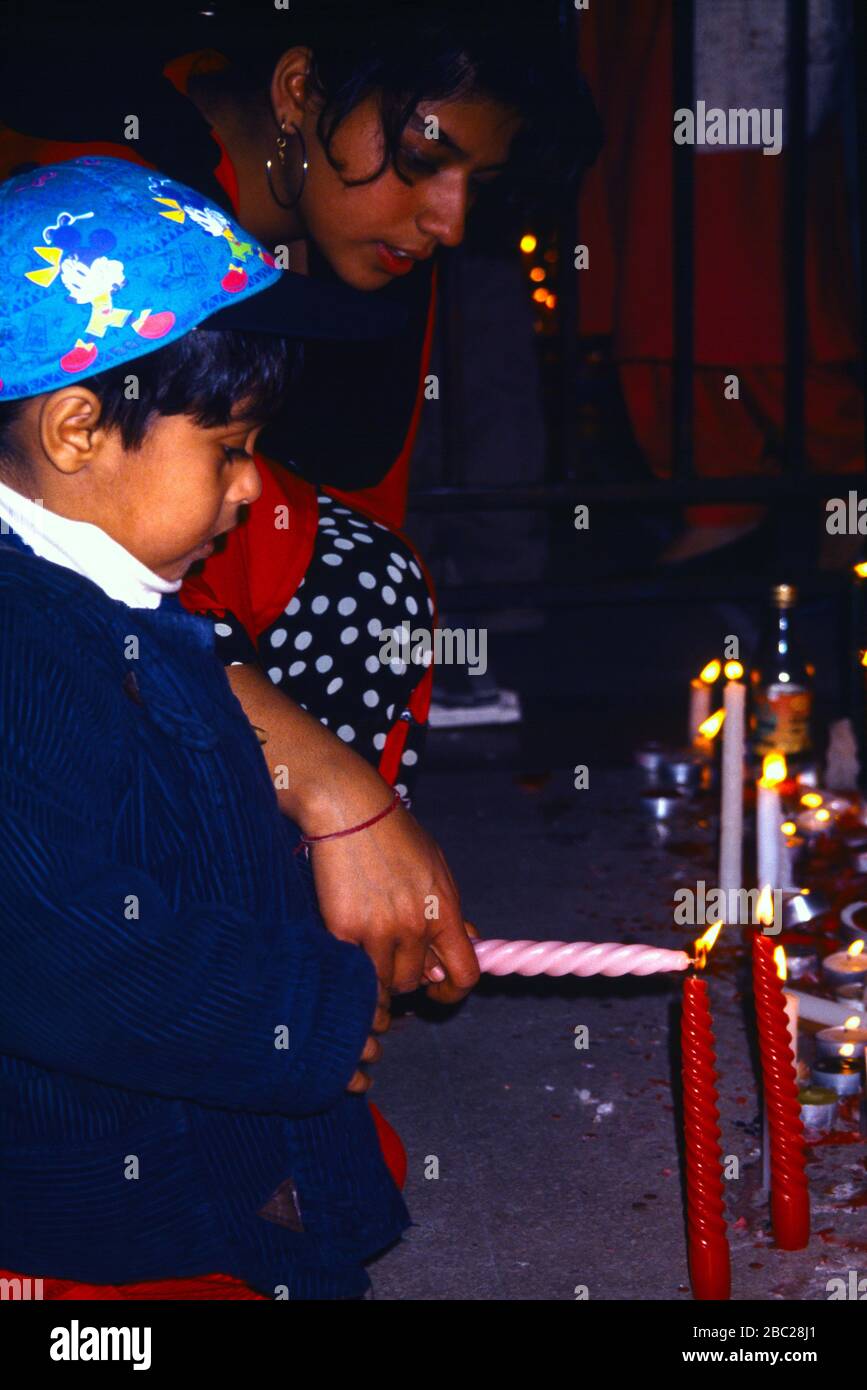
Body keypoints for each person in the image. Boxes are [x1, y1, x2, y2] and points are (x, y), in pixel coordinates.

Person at [0, 0, 601, 1008]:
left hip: (180, 591)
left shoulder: (379, 265)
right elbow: (62, 555)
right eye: (423, 156)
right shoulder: (100, 202)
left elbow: (362, 535)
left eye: (475, 185)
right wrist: (321, 777)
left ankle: (286, 992)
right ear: (298, 92)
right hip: (46, 584)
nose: (448, 219)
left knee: (365, 588)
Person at [0, 155, 458, 1298]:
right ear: (76, 430)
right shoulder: (28, 656)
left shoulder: (112, 592)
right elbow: (59, 955)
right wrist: (293, 1014)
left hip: (195, 1115)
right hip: (110, 1197)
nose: (254, 489)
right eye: (231, 450)